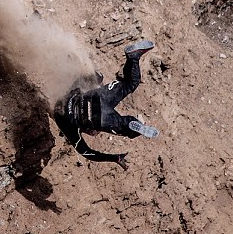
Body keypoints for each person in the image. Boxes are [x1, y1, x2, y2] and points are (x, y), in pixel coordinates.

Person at [53, 39, 159, 170]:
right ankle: (133, 57)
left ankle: (132, 126)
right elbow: (94, 77)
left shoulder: (71, 129)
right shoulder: (66, 99)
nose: (94, 134)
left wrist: (115, 158)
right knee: (129, 83)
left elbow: (88, 153)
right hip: (97, 97)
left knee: (122, 125)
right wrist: (97, 78)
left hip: (96, 119)